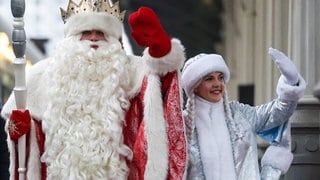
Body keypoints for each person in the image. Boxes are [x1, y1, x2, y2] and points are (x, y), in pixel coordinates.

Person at [1, 1, 187, 179]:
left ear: (114, 39)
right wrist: (20, 130)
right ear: (72, 38)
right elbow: (23, 138)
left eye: (101, 32)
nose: (93, 38)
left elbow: (160, 89)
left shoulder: (131, 71)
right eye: (86, 32)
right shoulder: (42, 74)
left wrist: (161, 52)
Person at [181, 48, 306, 180]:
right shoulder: (182, 124)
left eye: (221, 77)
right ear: (194, 85)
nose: (217, 84)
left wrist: (291, 83)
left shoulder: (239, 114)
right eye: (209, 79)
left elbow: (277, 112)